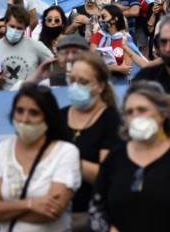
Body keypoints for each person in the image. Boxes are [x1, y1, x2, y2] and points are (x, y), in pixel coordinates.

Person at [89, 81, 170, 232]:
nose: (135, 117)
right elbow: (96, 206)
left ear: (162, 114)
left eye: (142, 110)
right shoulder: (115, 157)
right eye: (129, 112)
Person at [0, 83, 81, 231]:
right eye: (19, 111)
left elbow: (52, 212)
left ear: (48, 118)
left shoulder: (66, 152)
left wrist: (3, 210)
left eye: (34, 113)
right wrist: (31, 204)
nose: (24, 119)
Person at [60, 53, 120, 230]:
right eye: (72, 80)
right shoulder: (59, 116)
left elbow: (106, 176)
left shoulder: (112, 121)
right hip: (58, 212)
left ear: (100, 86)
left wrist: (68, 159)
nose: (75, 86)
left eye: (83, 82)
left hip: (93, 215)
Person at [0, 5, 54, 91]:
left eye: (19, 28)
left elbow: (56, 66)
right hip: (3, 97)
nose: (15, 31)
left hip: (29, 97)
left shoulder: (36, 46)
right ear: (5, 23)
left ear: (25, 28)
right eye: (12, 26)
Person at [90, 4, 133, 81]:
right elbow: (93, 63)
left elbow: (127, 68)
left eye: (103, 17)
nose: (100, 20)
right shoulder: (98, 35)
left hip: (121, 81)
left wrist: (104, 66)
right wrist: (115, 68)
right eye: (99, 17)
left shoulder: (125, 38)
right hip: (101, 80)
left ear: (115, 19)